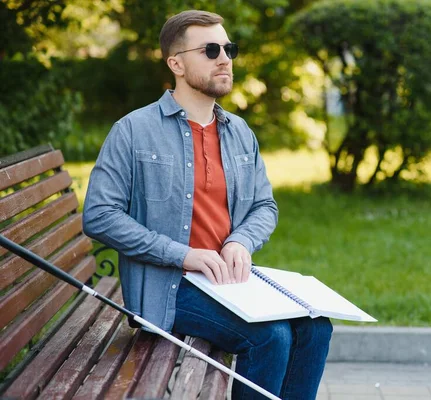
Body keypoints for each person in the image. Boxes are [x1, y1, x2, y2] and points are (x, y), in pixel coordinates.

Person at [82, 9, 332, 400]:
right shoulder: (133, 130)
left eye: (228, 48)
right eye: (211, 49)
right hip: (170, 287)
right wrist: (184, 255)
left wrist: (239, 242)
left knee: (317, 327)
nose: (225, 59)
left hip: (231, 283)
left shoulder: (239, 132)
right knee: (271, 336)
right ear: (176, 63)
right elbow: (99, 216)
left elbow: (265, 205)